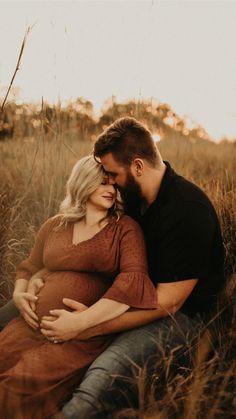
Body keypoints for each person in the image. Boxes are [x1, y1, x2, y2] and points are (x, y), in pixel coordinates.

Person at [0, 117, 225, 418]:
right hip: (111, 303)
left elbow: (168, 302)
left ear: (137, 167)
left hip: (177, 316)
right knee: (6, 315)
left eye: (112, 174)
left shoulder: (188, 211)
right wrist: (38, 279)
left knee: (105, 373)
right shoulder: (129, 195)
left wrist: (86, 326)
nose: (109, 182)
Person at [0, 155, 158, 419]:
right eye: (103, 183)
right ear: (84, 183)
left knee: (18, 387)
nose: (111, 190)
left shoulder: (125, 229)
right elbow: (29, 267)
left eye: (114, 185)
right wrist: (19, 293)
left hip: (78, 335)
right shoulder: (55, 224)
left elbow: (131, 284)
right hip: (28, 325)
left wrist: (81, 322)